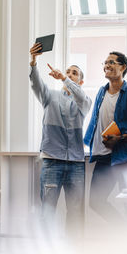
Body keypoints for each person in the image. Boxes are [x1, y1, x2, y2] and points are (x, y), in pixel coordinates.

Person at [29, 42, 92, 236]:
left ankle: (73, 251)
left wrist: (64, 78)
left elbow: (81, 97)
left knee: (75, 211)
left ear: (79, 82)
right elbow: (36, 84)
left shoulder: (83, 102)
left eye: (74, 73)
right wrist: (33, 62)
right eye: (68, 71)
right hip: (51, 161)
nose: (70, 74)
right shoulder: (50, 97)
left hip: (75, 163)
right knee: (47, 211)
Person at [84, 51, 127, 225]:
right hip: (103, 157)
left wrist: (121, 138)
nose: (107, 65)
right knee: (95, 201)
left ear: (123, 67)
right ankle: (125, 232)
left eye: (111, 62)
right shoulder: (101, 92)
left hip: (126, 157)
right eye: (105, 62)